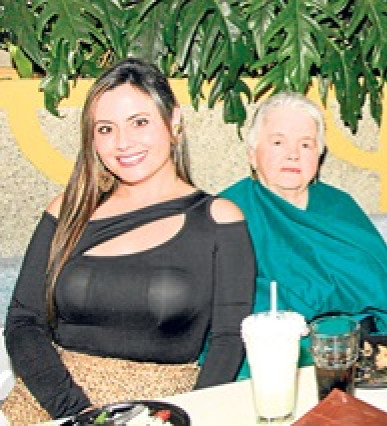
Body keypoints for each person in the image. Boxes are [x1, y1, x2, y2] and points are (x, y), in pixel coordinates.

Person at [3, 58, 255, 423]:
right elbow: (23, 322)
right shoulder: (68, 211)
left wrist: (186, 416)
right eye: (106, 129)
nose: (123, 142)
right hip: (50, 405)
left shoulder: (219, 220)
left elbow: (229, 339)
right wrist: (79, 413)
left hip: (163, 409)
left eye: (139, 122)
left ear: (174, 121)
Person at [220, 92, 387, 377]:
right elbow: (236, 308)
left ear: (319, 156)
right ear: (252, 154)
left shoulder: (339, 205)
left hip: (362, 353)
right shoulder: (230, 211)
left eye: (306, 144)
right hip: (278, 358)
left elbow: (384, 290)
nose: (293, 154)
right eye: (278, 142)